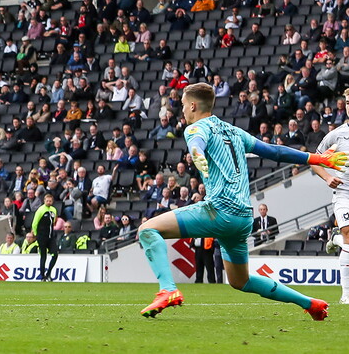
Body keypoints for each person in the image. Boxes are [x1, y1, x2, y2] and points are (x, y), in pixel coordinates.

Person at [136, 82, 343, 319]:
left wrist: (197, 154)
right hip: (244, 217)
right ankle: (310, 303)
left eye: (183, 105)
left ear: (193, 105)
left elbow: (197, 143)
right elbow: (274, 151)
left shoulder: (195, 128)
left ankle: (168, 290)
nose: (182, 110)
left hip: (219, 211)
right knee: (240, 280)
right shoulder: (234, 131)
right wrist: (317, 158)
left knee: (147, 230)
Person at [310, 90, 349, 304]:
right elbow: (315, 159)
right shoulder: (337, 134)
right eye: (348, 103)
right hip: (344, 193)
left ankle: (334, 238)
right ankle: (346, 295)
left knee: (344, 239)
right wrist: (327, 178)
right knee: (348, 234)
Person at [32, 193, 59, 281]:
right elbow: (35, 223)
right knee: (43, 256)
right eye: (47, 201)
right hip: (42, 236)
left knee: (55, 254)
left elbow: (54, 222)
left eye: (50, 201)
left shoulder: (53, 210)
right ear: (44, 201)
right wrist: (36, 234)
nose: (48, 202)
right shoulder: (41, 210)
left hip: (50, 237)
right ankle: (42, 275)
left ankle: (48, 273)